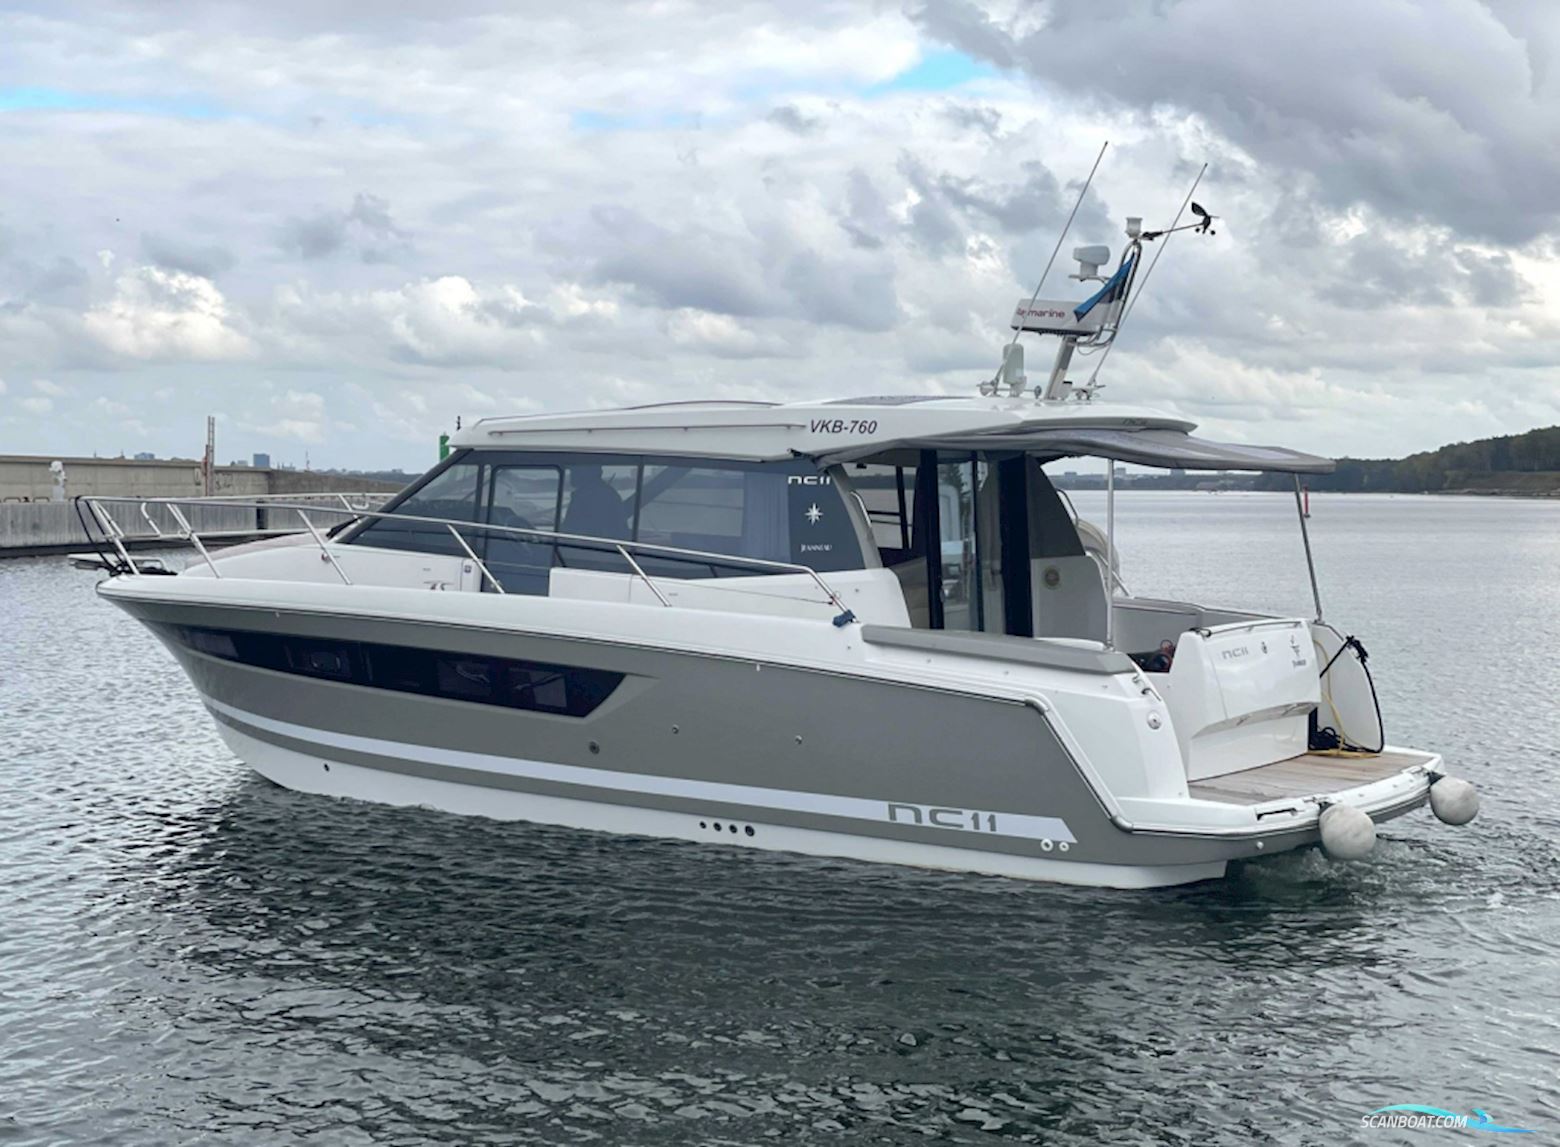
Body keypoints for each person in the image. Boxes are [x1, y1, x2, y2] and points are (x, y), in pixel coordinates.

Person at [562, 465, 630, 539]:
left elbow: (574, 529)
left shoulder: (592, 496)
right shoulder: (605, 493)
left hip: (592, 547)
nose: (570, 475)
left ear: (585, 473)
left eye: (574, 471)